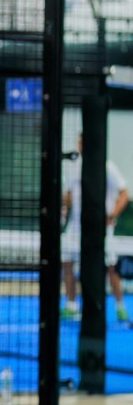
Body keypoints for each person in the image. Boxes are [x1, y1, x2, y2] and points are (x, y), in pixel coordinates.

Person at [61, 132, 129, 322]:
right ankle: (71, 305)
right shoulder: (74, 166)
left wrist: (112, 215)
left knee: (110, 267)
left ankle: (120, 307)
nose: (81, 144)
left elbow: (124, 194)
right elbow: (69, 196)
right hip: (75, 227)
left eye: (84, 141)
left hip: (100, 228)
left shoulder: (107, 166)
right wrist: (61, 202)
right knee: (67, 262)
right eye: (79, 142)